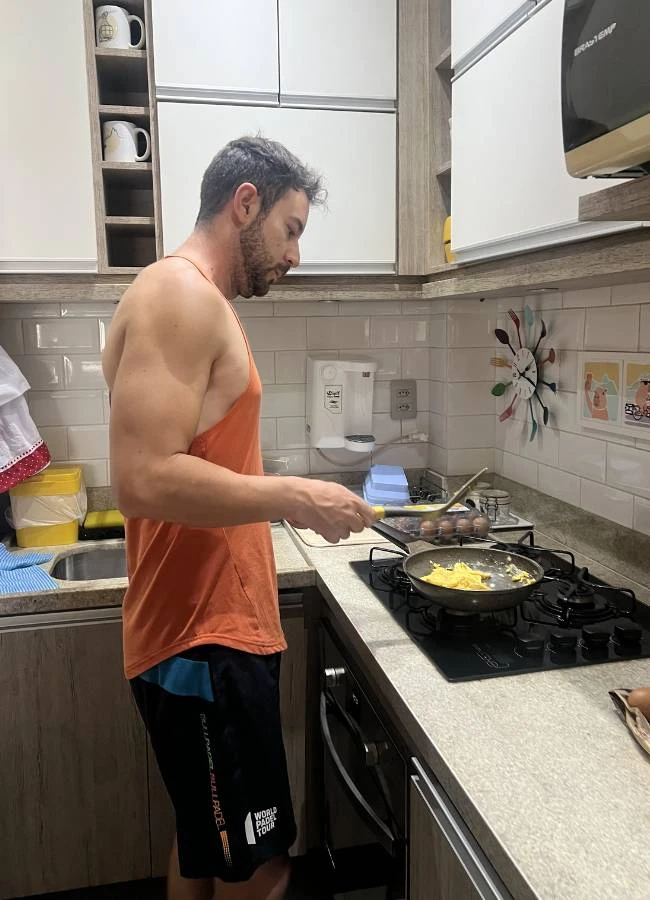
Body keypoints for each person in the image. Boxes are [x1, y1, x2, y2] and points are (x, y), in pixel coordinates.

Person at [102, 136, 377, 900]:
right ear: (245, 203)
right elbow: (143, 478)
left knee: (206, 849)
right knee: (261, 867)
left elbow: (185, 462)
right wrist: (296, 495)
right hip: (202, 639)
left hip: (209, 635)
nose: (295, 254)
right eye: (291, 229)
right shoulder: (180, 295)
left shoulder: (192, 300)